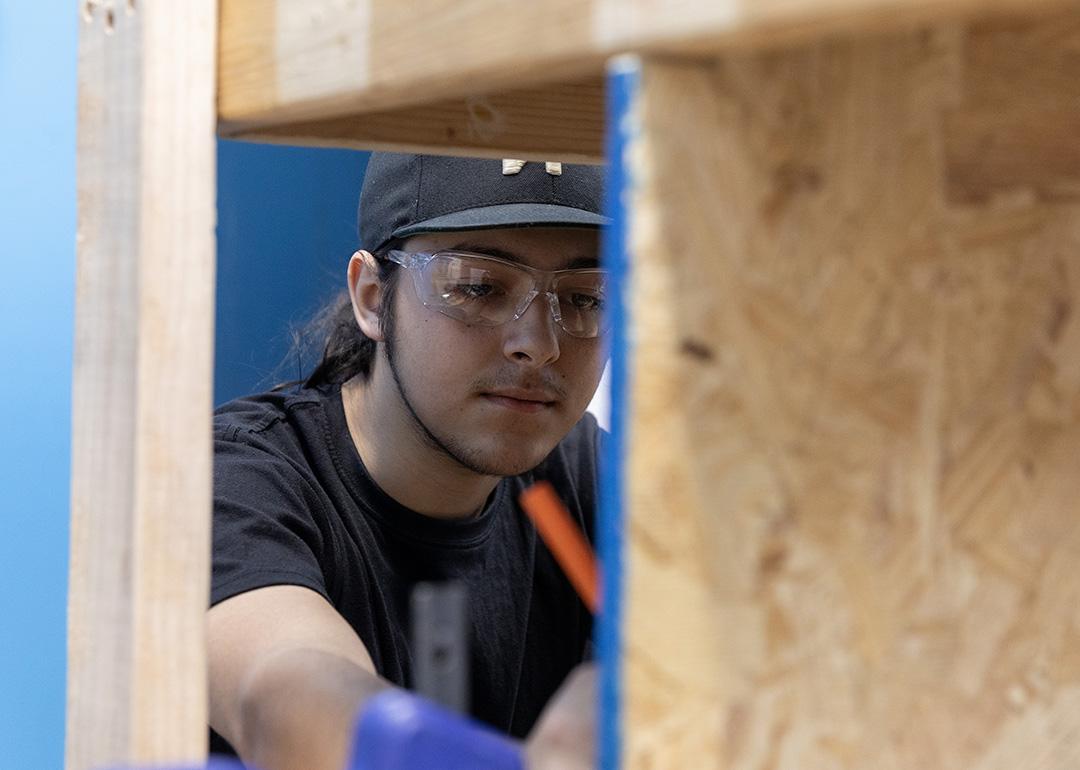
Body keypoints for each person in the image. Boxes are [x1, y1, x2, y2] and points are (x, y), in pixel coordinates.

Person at [206, 153, 609, 770]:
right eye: (478, 287)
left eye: (583, 299)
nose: (538, 345)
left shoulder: (588, 478)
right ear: (372, 298)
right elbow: (283, 695)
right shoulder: (237, 481)